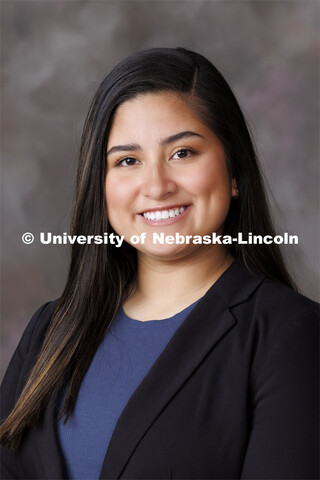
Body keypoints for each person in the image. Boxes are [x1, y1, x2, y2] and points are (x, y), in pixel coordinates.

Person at [0, 47, 318, 480]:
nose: (156, 186)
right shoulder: (49, 332)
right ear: (102, 185)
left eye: (182, 153)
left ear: (234, 172)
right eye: (127, 161)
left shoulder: (289, 336)